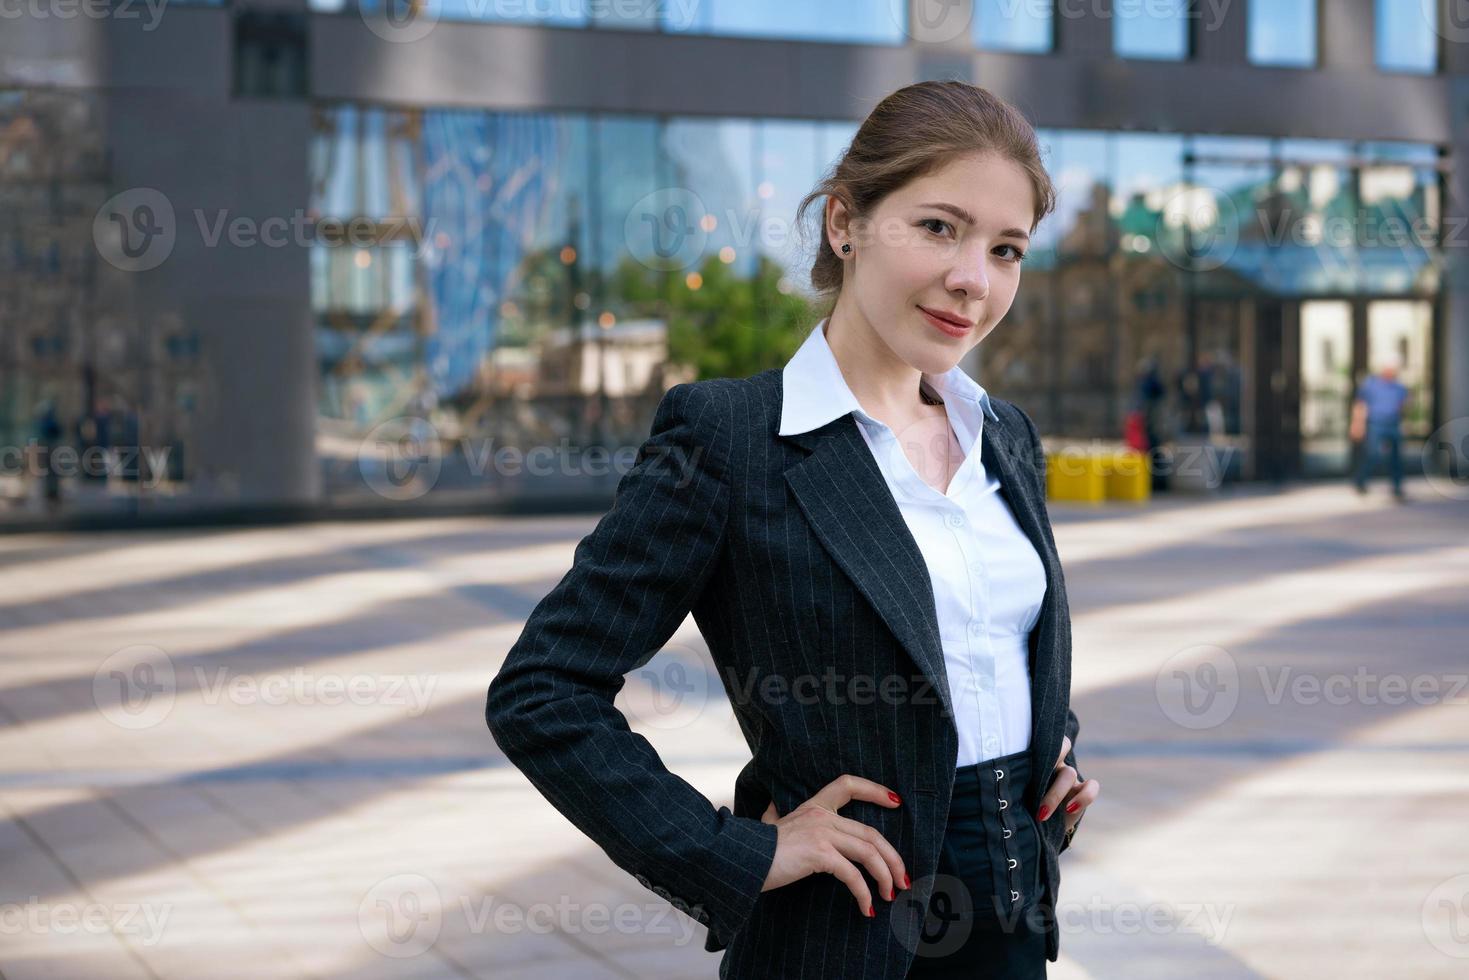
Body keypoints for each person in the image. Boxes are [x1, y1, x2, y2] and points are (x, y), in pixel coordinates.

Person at [486, 81, 1097, 980]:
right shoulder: (730, 438)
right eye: (938, 227)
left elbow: (986, 638)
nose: (974, 278)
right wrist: (734, 851)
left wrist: (1050, 743)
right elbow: (543, 691)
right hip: (836, 942)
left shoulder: (1002, 436)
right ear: (845, 223)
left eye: (1005, 248)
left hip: (1007, 937)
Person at [1351, 357, 1409, 501]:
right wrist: (1357, 424)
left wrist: (1404, 424)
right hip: (1375, 424)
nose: (1392, 372)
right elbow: (1360, 405)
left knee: (1396, 458)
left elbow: (1402, 407)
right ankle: (1361, 481)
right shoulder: (1371, 385)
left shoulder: (1399, 388)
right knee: (1373, 455)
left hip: (1393, 424)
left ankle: (1397, 488)